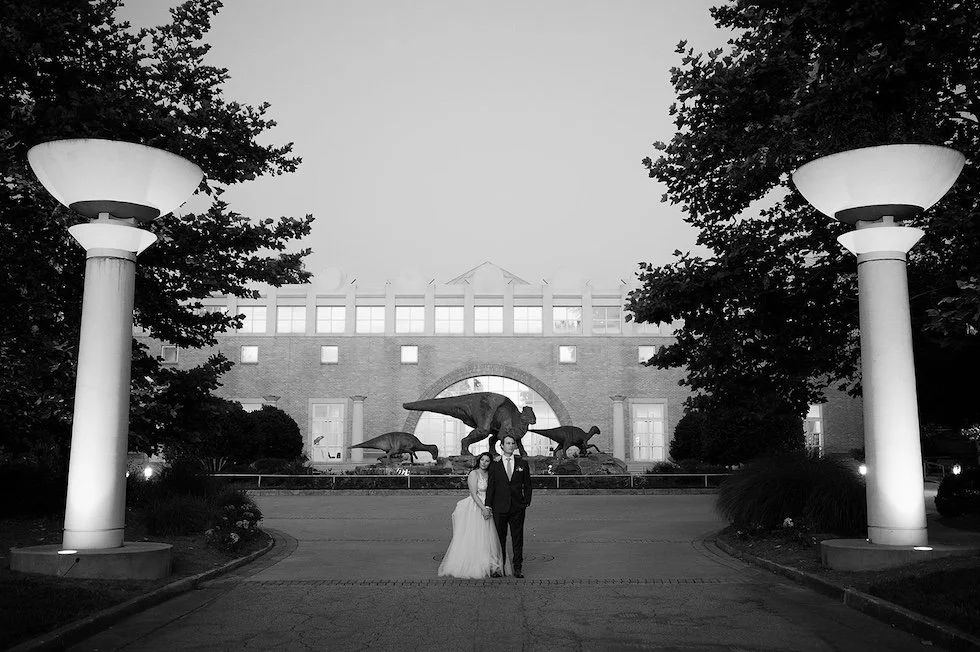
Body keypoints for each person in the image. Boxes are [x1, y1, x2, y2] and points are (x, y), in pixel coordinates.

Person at [437, 452, 511, 579]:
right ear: (479, 460)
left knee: (489, 537)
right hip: (477, 507)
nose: (484, 462)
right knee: (475, 536)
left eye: (487, 461)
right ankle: (474, 564)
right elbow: (473, 494)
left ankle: (490, 565)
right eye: (482, 460)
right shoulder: (474, 474)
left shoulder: (490, 474)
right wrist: (483, 509)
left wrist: (488, 508)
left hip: (489, 506)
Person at [485, 433, 532, 578]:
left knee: (518, 538)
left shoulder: (522, 464)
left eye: (512, 443)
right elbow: (491, 487)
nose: (510, 446)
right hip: (500, 507)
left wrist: (526, 502)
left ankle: (518, 568)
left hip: (517, 507)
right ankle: (499, 567)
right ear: (502, 446)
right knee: (499, 538)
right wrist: (488, 505)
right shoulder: (495, 464)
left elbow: (528, 485)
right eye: (507, 443)